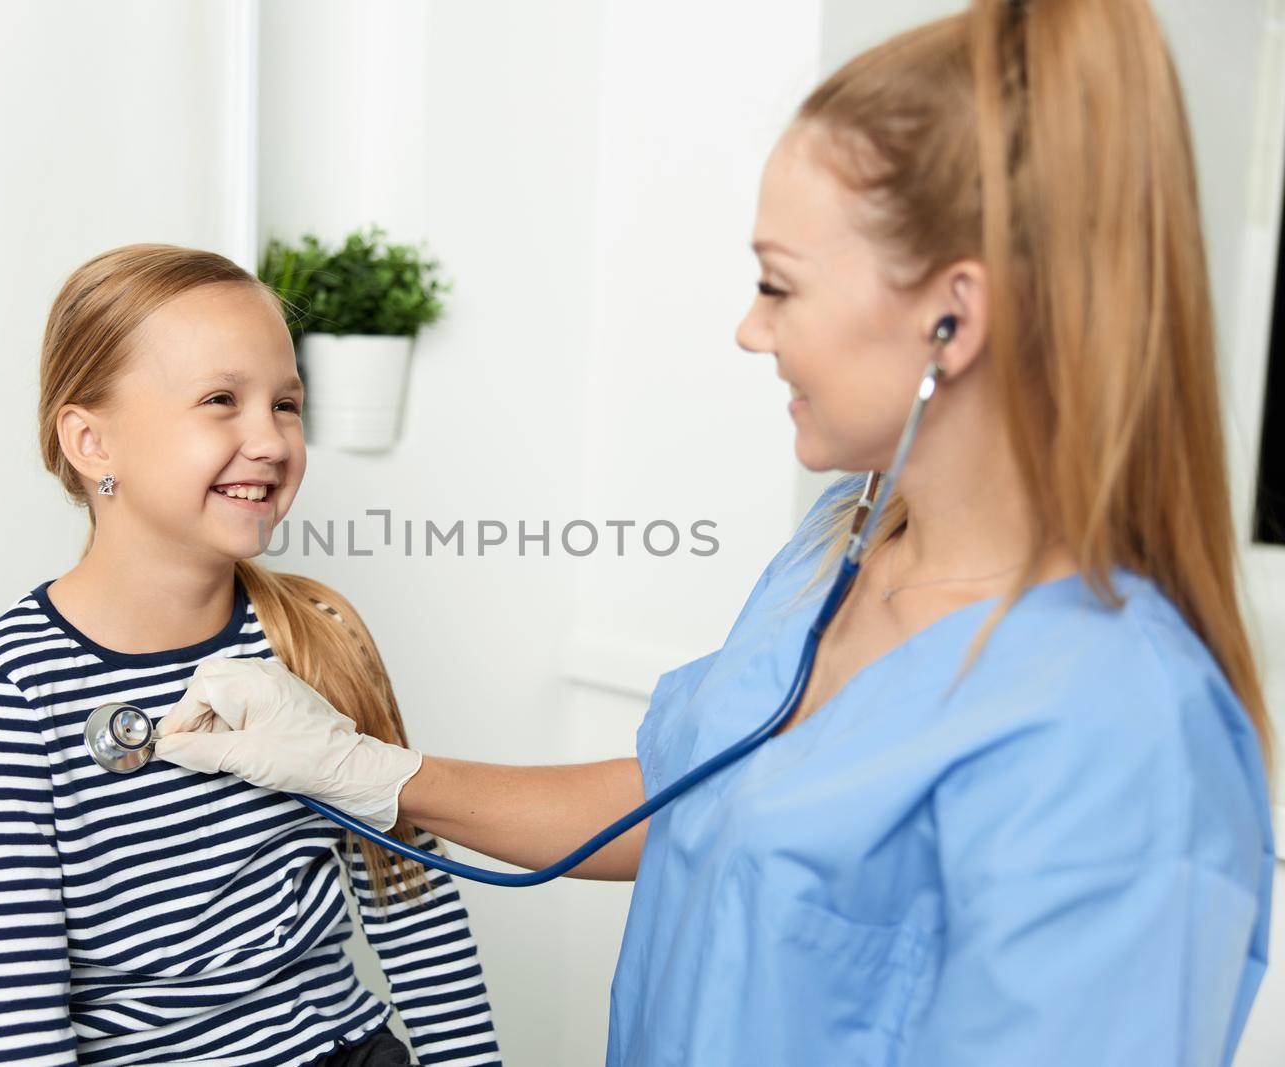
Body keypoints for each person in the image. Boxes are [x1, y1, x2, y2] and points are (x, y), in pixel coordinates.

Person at [151, 1, 1277, 1064]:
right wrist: (365, 770)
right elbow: (685, 804)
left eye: (776, 285)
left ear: (953, 315)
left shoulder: (1121, 740)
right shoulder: (834, 557)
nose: (749, 330)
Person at [0, 244, 502, 1067]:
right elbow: (14, 1029)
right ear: (92, 443)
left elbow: (409, 898)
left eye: (285, 404)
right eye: (220, 400)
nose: (269, 440)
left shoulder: (312, 628)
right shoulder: (4, 687)